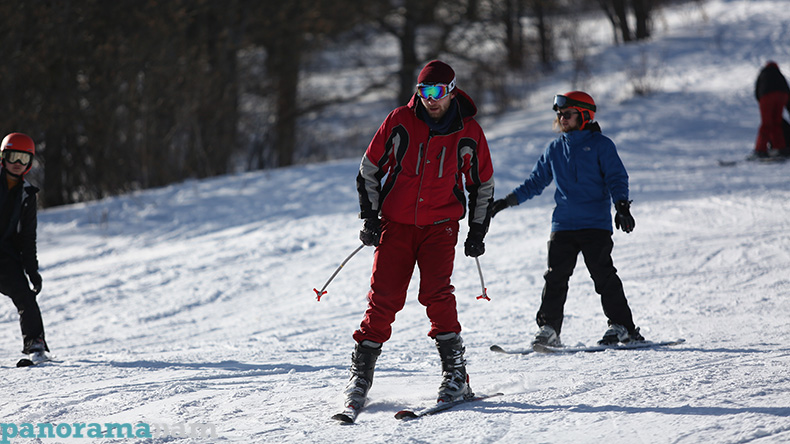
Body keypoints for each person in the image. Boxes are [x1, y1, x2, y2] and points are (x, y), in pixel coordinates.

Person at [340, 60, 495, 416]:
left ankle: (456, 374)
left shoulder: (469, 131)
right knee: (384, 298)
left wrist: (477, 229)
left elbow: (481, 184)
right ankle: (360, 376)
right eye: (424, 92)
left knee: (436, 294)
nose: (430, 99)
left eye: (438, 92)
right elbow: (369, 170)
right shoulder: (399, 121)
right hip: (396, 226)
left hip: (440, 227)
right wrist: (370, 217)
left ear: (451, 90)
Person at [490, 91, 644, 349]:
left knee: (603, 276)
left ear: (584, 115)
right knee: (555, 277)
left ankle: (623, 328)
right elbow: (536, 182)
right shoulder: (555, 148)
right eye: (560, 114)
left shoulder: (601, 145)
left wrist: (622, 207)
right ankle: (549, 329)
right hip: (562, 225)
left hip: (595, 224)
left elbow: (616, 177)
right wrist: (507, 201)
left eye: (568, 114)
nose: (562, 118)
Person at [0, 133, 49, 364]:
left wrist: (32, 271)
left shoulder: (27, 194)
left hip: (5, 256)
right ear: (3, 157)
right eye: (13, 157)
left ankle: (35, 344)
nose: (17, 164)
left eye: (23, 158)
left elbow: (28, 237)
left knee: (26, 298)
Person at [752, 61, 790, 159]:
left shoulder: (763, 73)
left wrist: (761, 103)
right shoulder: (779, 74)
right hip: (782, 96)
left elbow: (757, 91)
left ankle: (760, 150)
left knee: (766, 124)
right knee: (777, 124)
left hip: (767, 97)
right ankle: (780, 148)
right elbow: (787, 90)